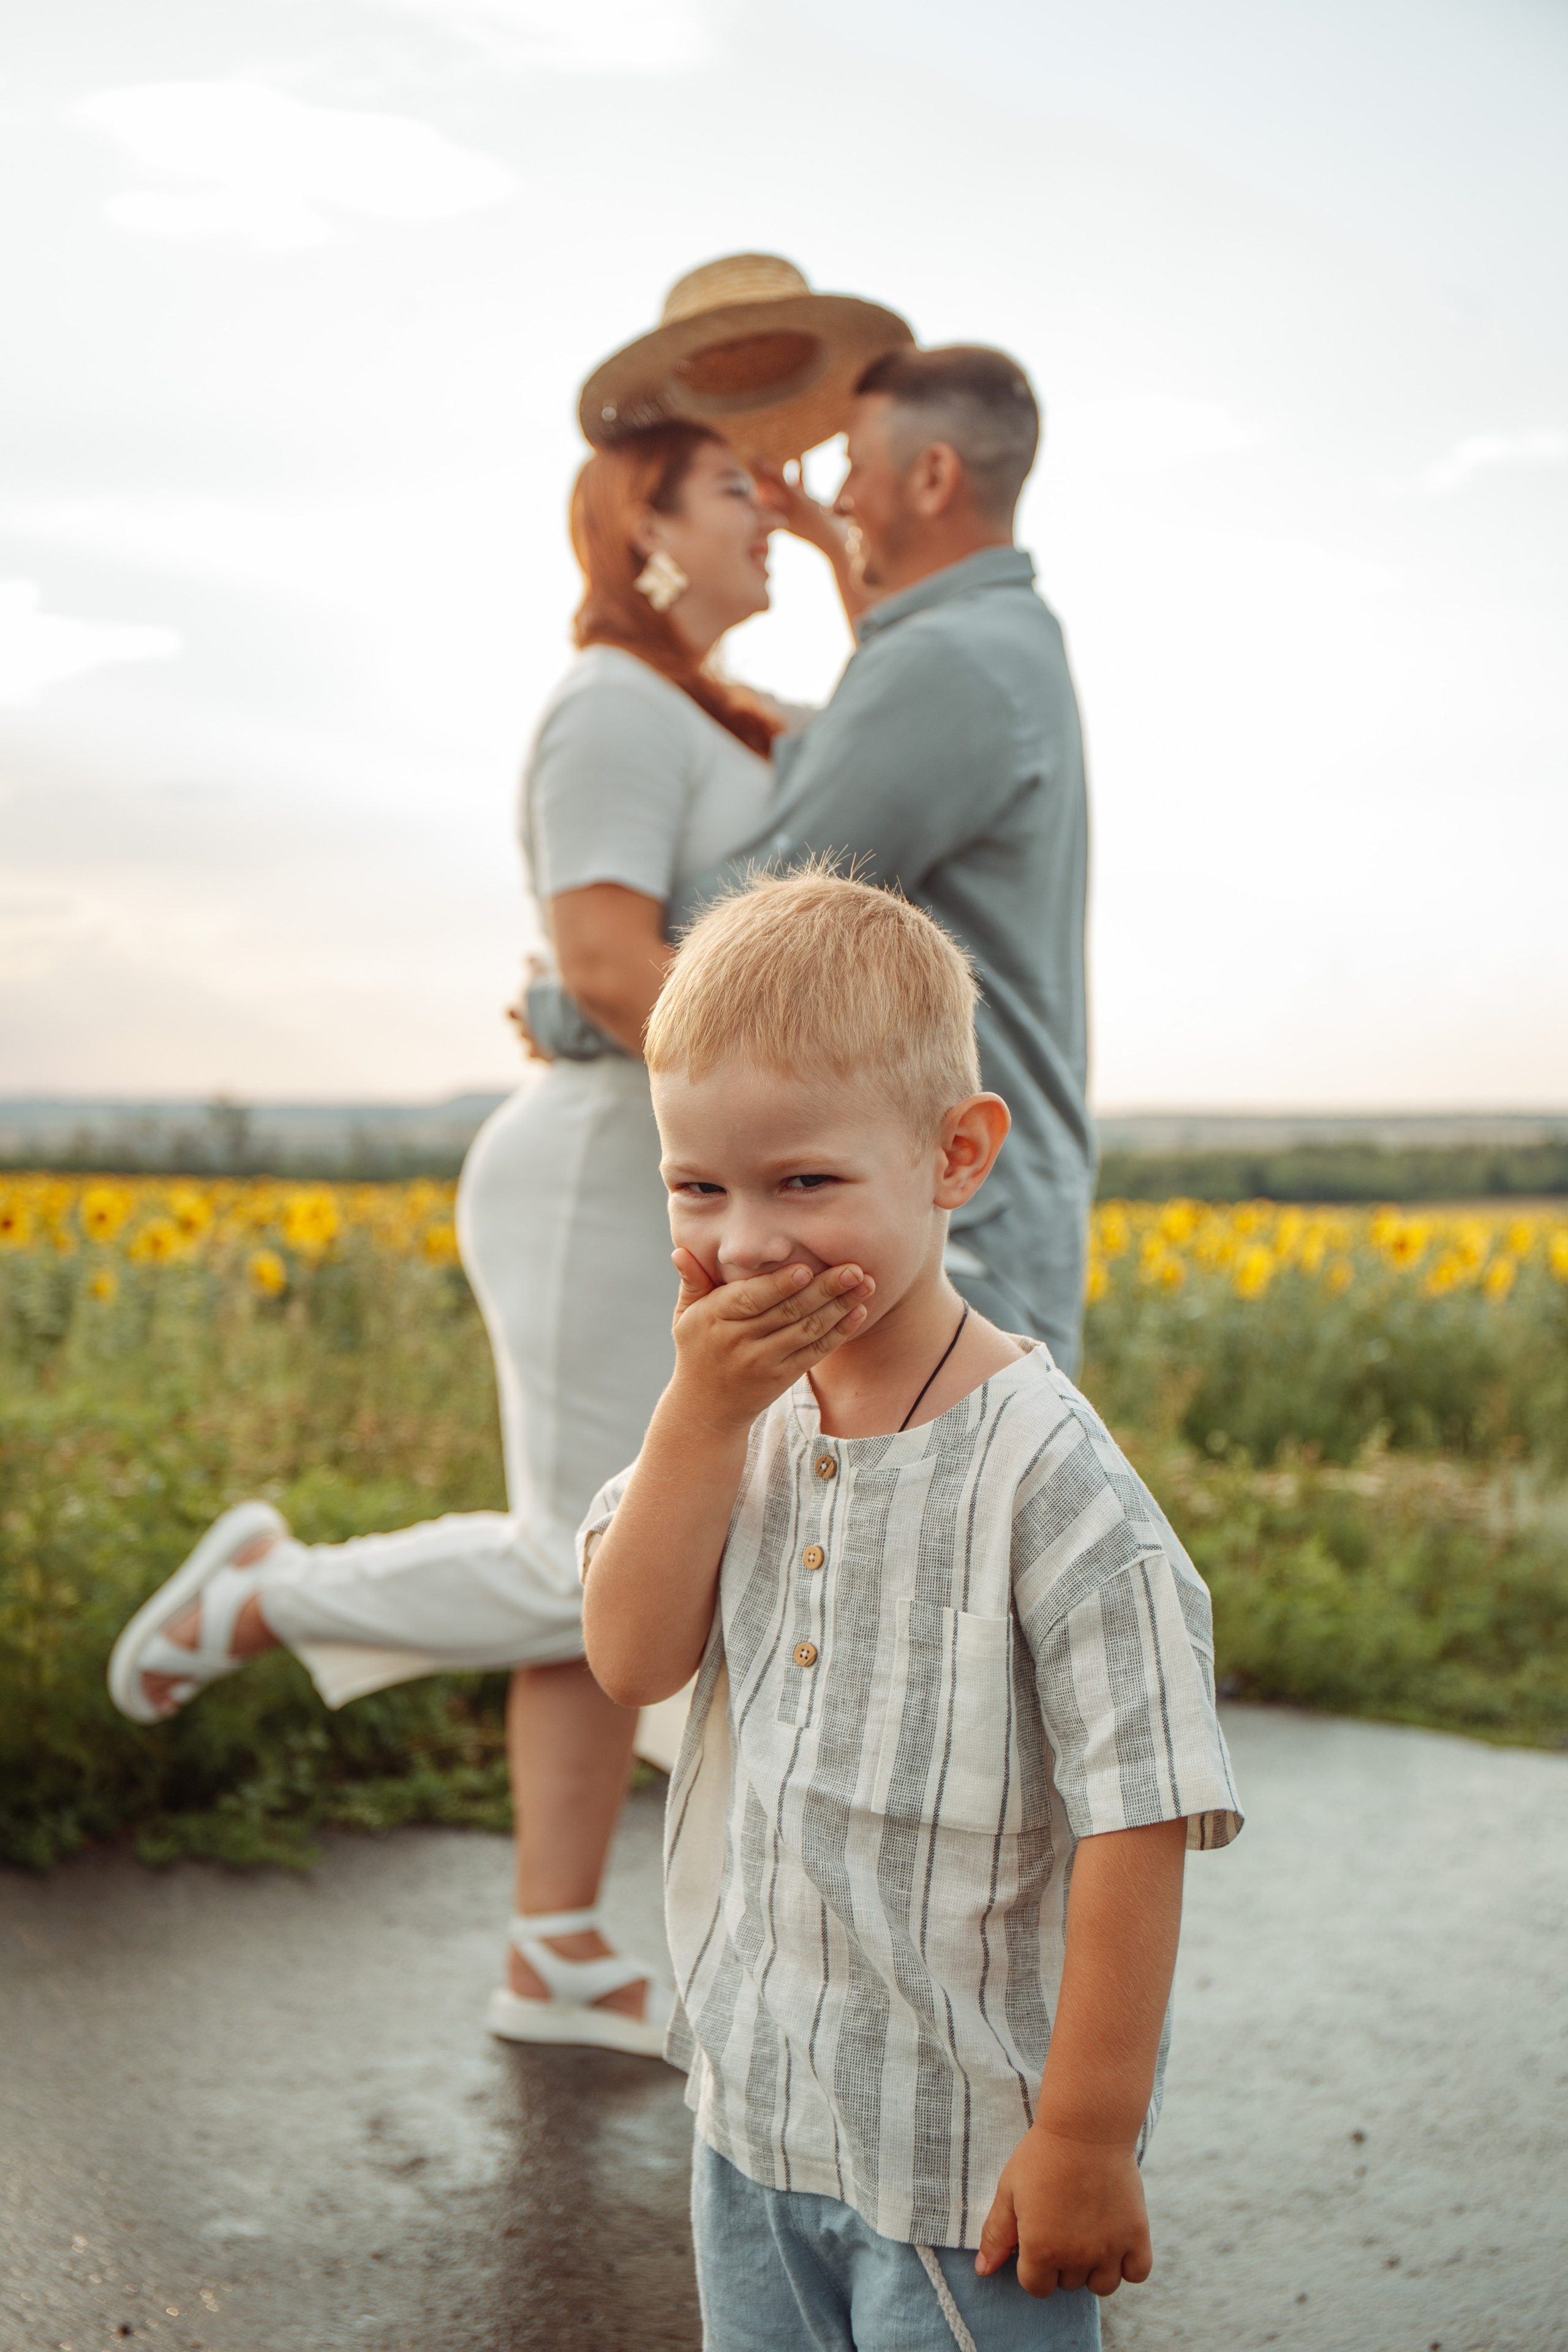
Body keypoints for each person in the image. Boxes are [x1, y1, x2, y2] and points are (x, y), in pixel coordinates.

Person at [105, 394, 869, 2054]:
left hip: (650, 1162)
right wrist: (807, 1108)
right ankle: (265, 1598)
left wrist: (829, 541)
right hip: (603, 1170)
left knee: (584, 1545)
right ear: (644, 525)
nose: (769, 512)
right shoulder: (608, 704)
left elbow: (888, 721)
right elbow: (602, 964)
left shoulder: (741, 712)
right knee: (589, 1557)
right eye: (737, 492)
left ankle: (553, 1953)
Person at [579, 870, 1242, 2349]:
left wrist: (1083, 2138)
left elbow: (1136, 1816)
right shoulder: (729, 1417)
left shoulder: (1050, 1482)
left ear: (955, 1154)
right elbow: (630, 1658)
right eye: (698, 1186)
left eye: (803, 1183)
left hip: (968, 2159)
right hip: (754, 2116)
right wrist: (695, 1415)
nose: (746, 1242)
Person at [530, 341, 1095, 1374]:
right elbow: (865, 710)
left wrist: (568, 995)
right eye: (739, 490)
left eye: (855, 468)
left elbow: (763, 921)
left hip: (948, 1230)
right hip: (948, 1206)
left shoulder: (945, 665)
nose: (829, 500)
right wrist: (842, 555)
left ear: (931, 477)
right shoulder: (996, 642)